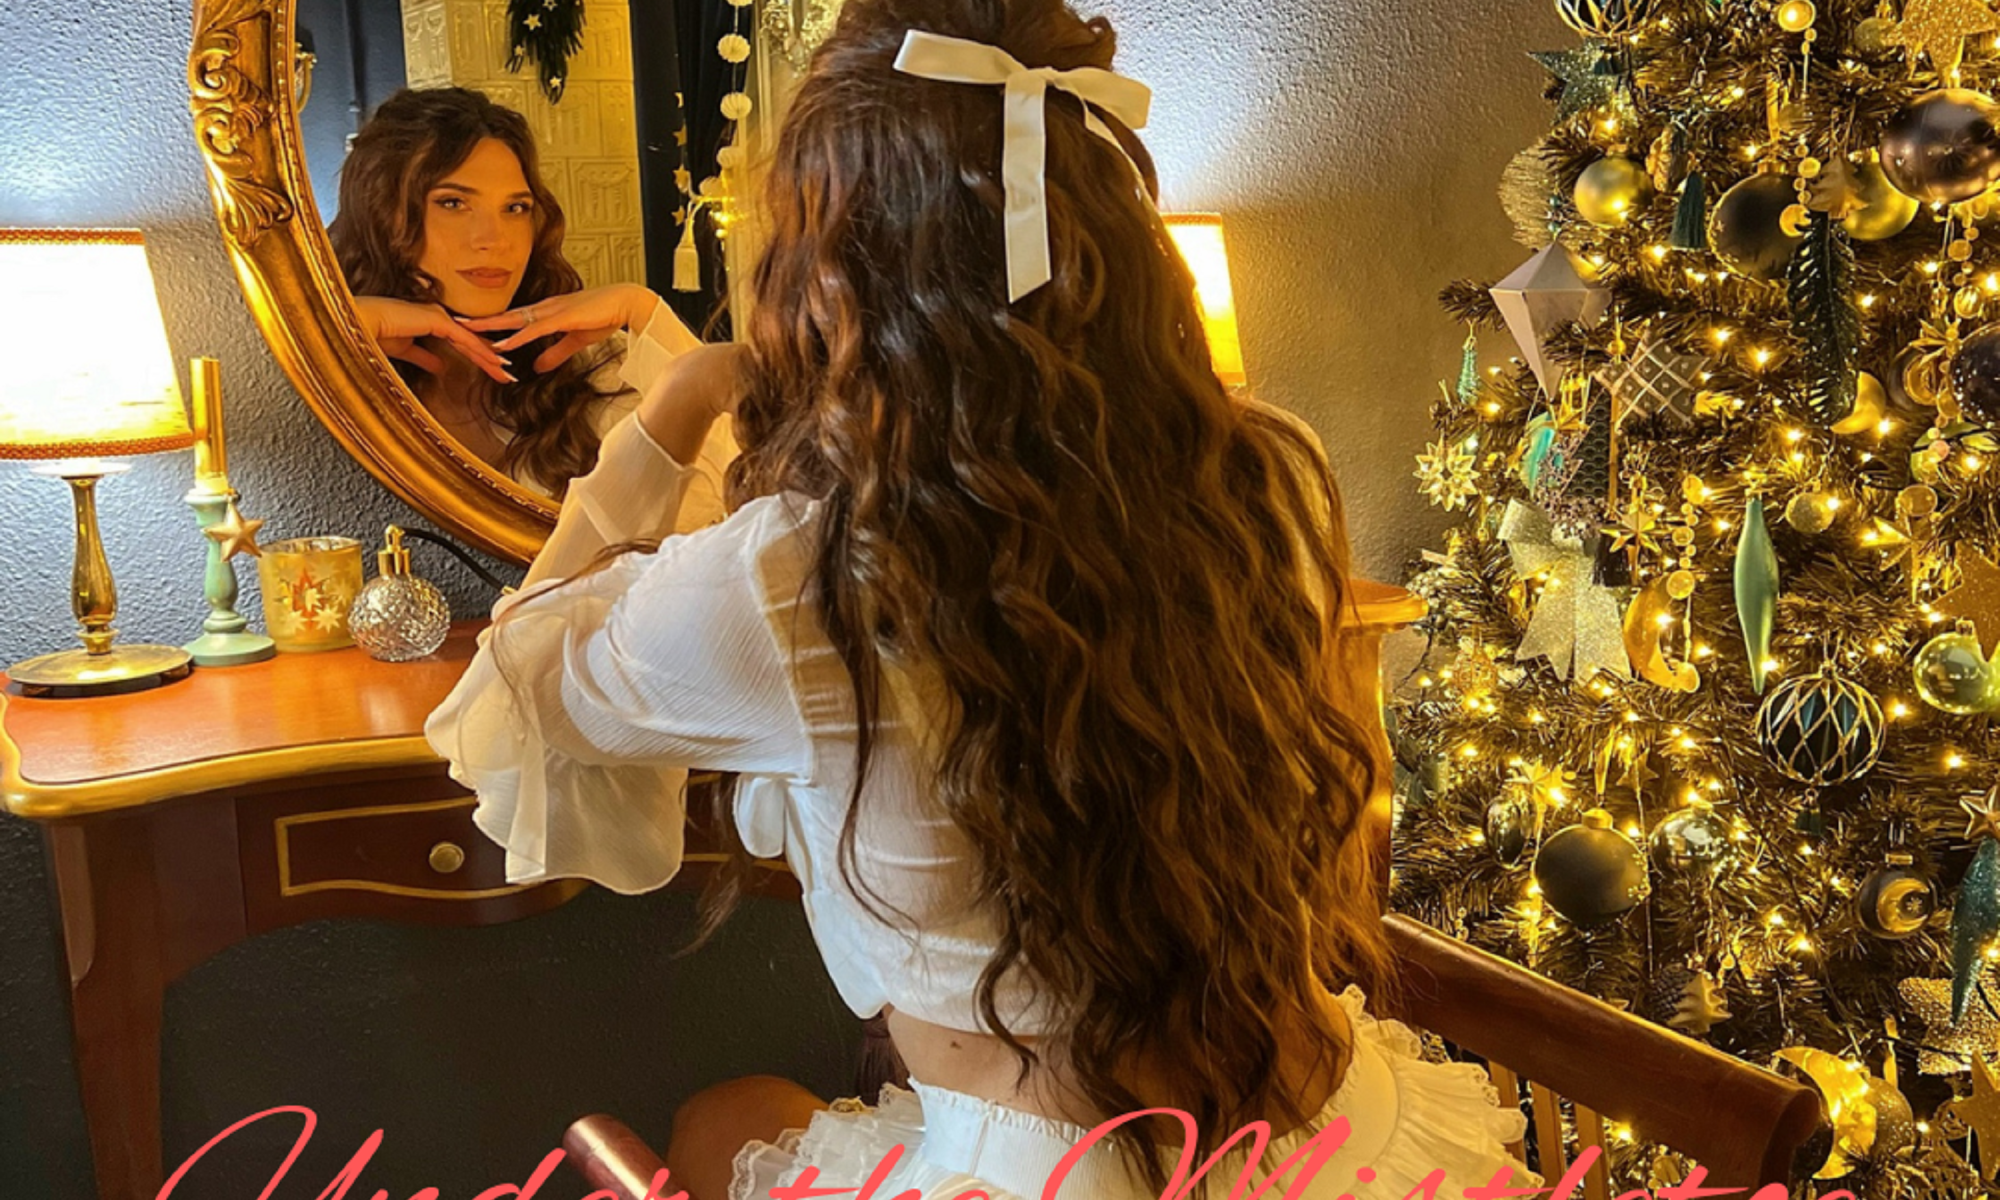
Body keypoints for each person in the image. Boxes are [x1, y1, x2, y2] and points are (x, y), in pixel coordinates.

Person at [425, 1, 1537, 1198]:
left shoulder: (797, 573)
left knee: (715, 1120)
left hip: (1050, 1174)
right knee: (736, 1115)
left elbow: (503, 695)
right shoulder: (1257, 473)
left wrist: (680, 397)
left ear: (833, 260)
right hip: (1334, 1138)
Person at [327, 86, 729, 505]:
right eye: (453, 203)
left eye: (515, 208)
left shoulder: (592, 367)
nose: (495, 239)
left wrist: (642, 310)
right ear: (380, 213)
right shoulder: (339, 373)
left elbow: (739, 494)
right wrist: (339, 336)